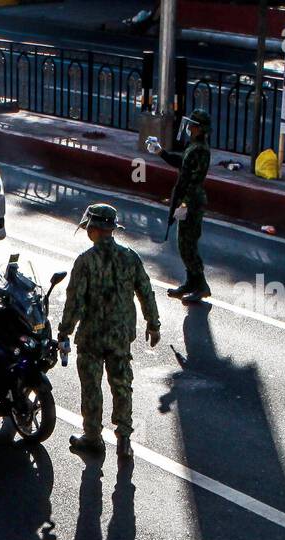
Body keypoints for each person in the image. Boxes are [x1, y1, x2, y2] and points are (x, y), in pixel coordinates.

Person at [57, 203, 161, 460]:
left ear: (93, 229)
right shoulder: (130, 257)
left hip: (91, 336)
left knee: (92, 388)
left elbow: (74, 303)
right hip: (120, 335)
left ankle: (93, 438)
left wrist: (64, 332)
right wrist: (153, 323)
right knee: (122, 384)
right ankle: (124, 439)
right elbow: (145, 292)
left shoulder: (85, 261)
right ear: (112, 229)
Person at [147, 106, 211, 302]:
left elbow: (194, 180)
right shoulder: (192, 147)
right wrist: (161, 152)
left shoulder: (200, 150)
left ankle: (201, 285)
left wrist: (184, 204)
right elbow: (182, 163)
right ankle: (191, 282)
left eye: (193, 126)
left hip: (192, 203)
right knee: (184, 244)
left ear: (200, 129)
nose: (189, 129)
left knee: (188, 246)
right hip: (186, 201)